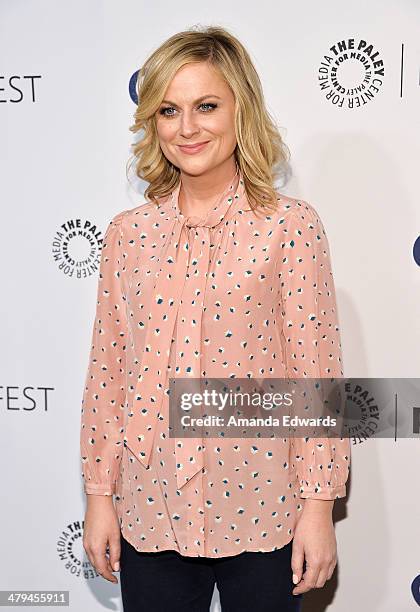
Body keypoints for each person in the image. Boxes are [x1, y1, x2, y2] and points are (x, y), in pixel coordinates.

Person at [80, 25, 351, 612]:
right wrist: (101, 496)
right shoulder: (129, 236)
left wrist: (318, 506)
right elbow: (109, 374)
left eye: (206, 105)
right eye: (169, 110)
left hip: (262, 509)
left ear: (240, 110)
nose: (187, 126)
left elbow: (316, 381)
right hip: (150, 508)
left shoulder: (289, 226)